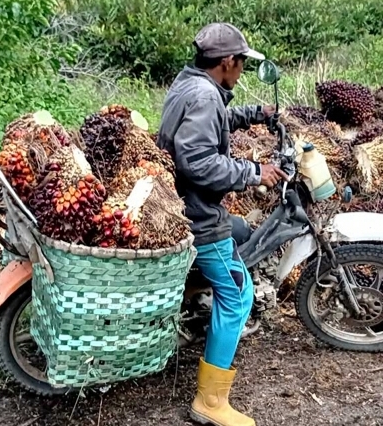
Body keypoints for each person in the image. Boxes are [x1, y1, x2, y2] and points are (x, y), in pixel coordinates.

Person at [156, 22, 288, 426]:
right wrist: (254, 171)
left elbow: (209, 125)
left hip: (184, 203)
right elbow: (196, 161)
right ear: (227, 62)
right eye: (242, 64)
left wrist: (254, 114)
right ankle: (209, 404)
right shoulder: (203, 95)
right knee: (238, 298)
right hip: (198, 214)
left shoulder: (190, 83)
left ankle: (196, 305)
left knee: (243, 232)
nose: (243, 71)